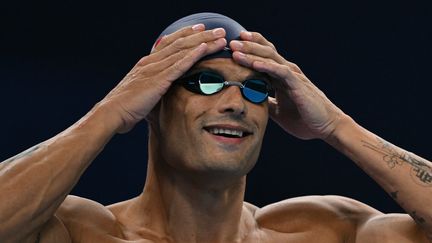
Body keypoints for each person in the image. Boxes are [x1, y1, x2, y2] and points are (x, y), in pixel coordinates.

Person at [0, 12, 431, 243]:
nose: (236, 104)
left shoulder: (322, 231)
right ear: (153, 102)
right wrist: (110, 112)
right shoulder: (81, 232)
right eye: (205, 83)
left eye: (257, 88)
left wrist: (336, 125)